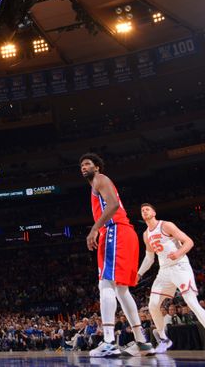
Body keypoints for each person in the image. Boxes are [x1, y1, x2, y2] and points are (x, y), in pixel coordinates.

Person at [80, 153, 152, 357]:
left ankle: (109, 341)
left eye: (87, 164)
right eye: (81, 165)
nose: (83, 167)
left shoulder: (100, 179)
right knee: (121, 291)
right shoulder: (96, 184)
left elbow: (112, 206)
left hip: (114, 231)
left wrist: (94, 229)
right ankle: (142, 341)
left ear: (97, 167)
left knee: (106, 284)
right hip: (123, 233)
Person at [138, 202, 205, 353]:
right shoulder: (146, 234)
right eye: (142, 211)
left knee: (192, 302)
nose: (144, 211)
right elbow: (149, 258)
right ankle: (164, 339)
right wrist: (139, 273)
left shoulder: (166, 225)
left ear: (154, 212)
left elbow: (189, 242)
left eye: (147, 209)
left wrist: (178, 253)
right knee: (153, 305)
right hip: (164, 270)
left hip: (180, 266)